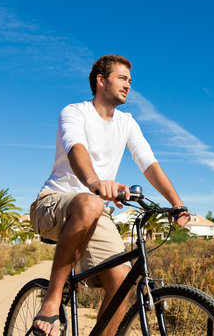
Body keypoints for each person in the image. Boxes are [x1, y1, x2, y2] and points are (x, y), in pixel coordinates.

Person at [28, 54, 190, 336]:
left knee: (123, 280)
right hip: (53, 203)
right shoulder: (75, 112)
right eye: (122, 78)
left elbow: (149, 164)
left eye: (130, 80)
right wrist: (94, 182)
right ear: (101, 81)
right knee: (91, 202)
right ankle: (51, 302)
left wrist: (177, 203)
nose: (129, 85)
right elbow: (74, 147)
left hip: (95, 211)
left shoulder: (127, 123)